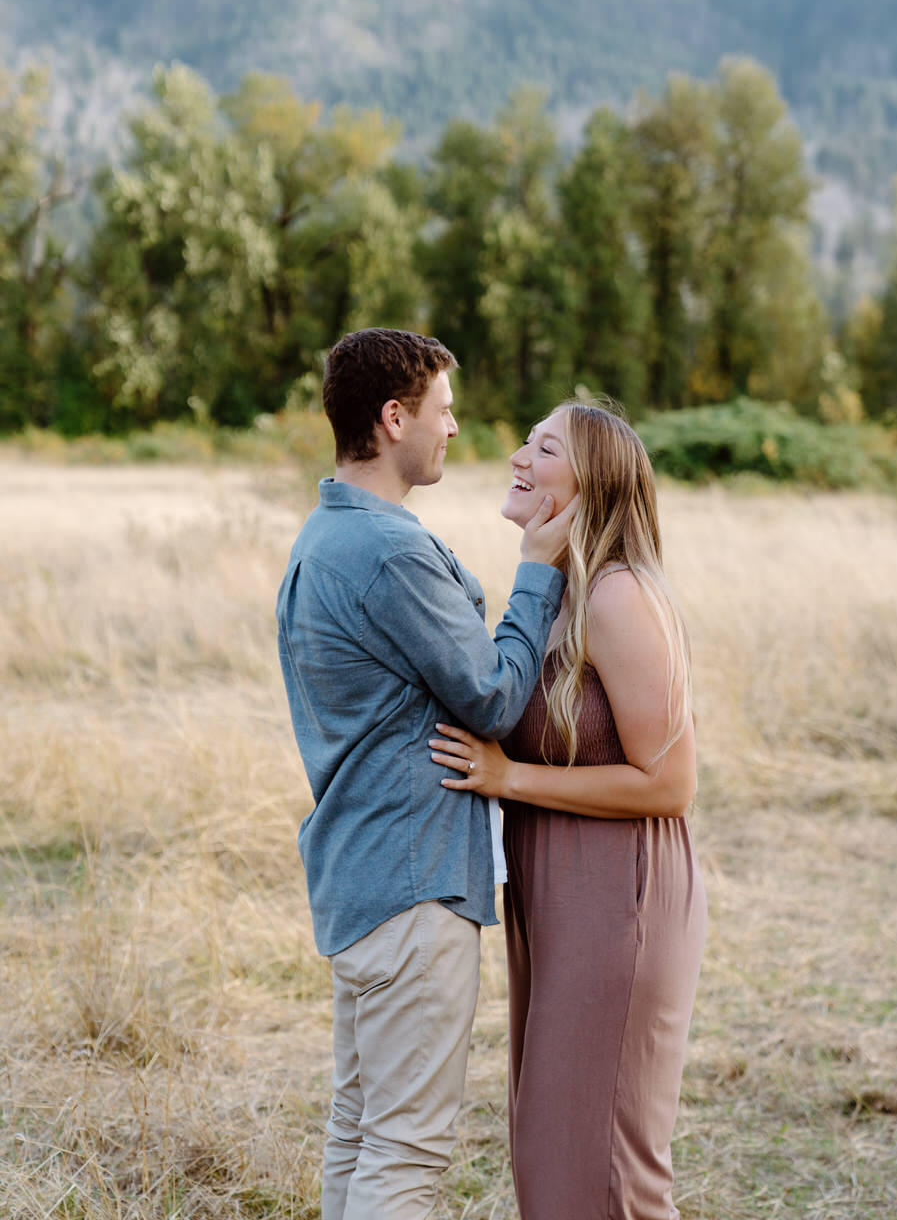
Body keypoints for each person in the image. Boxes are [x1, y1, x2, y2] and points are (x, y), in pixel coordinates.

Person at [275, 328, 575, 1220]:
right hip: (412, 889)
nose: (453, 428)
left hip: (359, 881)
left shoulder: (322, 536)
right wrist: (537, 576)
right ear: (394, 416)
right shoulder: (388, 551)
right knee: (405, 1156)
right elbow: (490, 698)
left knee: (360, 1132)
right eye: (442, 411)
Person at [430, 401, 707, 1220]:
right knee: (553, 1157)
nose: (518, 453)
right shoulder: (557, 591)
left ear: (594, 483)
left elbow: (669, 784)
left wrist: (506, 778)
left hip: (619, 896)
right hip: (555, 893)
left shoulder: (619, 596)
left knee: (602, 1170)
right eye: (528, 437)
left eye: (545, 447)